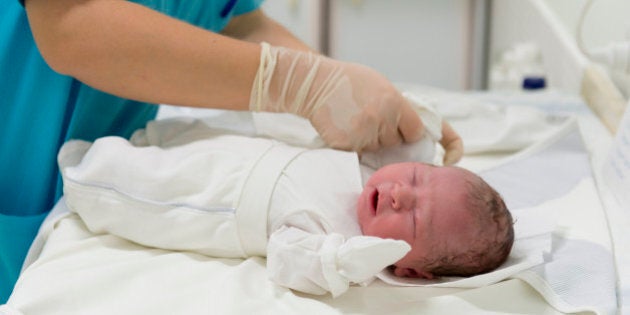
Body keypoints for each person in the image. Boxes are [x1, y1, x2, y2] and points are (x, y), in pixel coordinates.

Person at [0, 0, 463, 302]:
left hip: (99, 163)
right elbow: (70, 21)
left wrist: (344, 87)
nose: (403, 193)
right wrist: (297, 84)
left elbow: (237, 20)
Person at [55, 115, 513, 298]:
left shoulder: (345, 244)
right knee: (185, 136)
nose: (399, 192)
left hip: (221, 196)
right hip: (240, 150)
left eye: (414, 216)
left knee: (141, 182)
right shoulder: (369, 172)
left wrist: (340, 261)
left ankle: (82, 176)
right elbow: (402, 140)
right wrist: (417, 123)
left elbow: (289, 262)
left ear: (410, 270)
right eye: (416, 179)